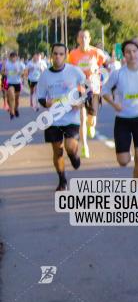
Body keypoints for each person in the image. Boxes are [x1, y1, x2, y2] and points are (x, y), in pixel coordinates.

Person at [103, 40, 138, 178]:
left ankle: (135, 189)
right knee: (123, 161)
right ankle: (126, 149)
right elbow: (104, 91)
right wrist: (114, 104)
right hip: (122, 120)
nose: (132, 54)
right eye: (128, 52)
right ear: (124, 55)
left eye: (134, 51)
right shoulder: (117, 74)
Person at [36, 43, 86, 191]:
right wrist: (46, 102)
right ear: (51, 55)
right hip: (53, 119)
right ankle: (62, 180)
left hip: (71, 117)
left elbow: (87, 87)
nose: (57, 57)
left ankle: (73, 155)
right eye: (55, 54)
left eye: (60, 54)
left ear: (66, 55)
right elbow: (40, 97)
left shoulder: (74, 71)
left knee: (70, 146)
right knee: (57, 151)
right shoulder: (45, 75)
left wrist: (81, 100)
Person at [67, 30, 108, 158]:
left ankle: (92, 125)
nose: (83, 39)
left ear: (89, 39)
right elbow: (69, 70)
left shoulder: (96, 52)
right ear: (78, 39)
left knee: (91, 121)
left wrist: (97, 69)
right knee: (82, 119)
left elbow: (106, 65)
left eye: (85, 37)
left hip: (93, 89)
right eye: (81, 37)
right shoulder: (73, 54)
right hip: (80, 89)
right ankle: (85, 146)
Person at [4, 51, 26, 119]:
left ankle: (16, 109)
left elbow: (25, 72)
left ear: (16, 57)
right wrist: (5, 72)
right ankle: (12, 112)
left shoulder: (20, 64)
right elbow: (2, 71)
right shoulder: (7, 63)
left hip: (18, 83)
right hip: (10, 82)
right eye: (12, 57)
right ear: (10, 58)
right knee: (12, 97)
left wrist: (20, 73)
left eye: (14, 57)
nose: (13, 59)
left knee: (16, 99)